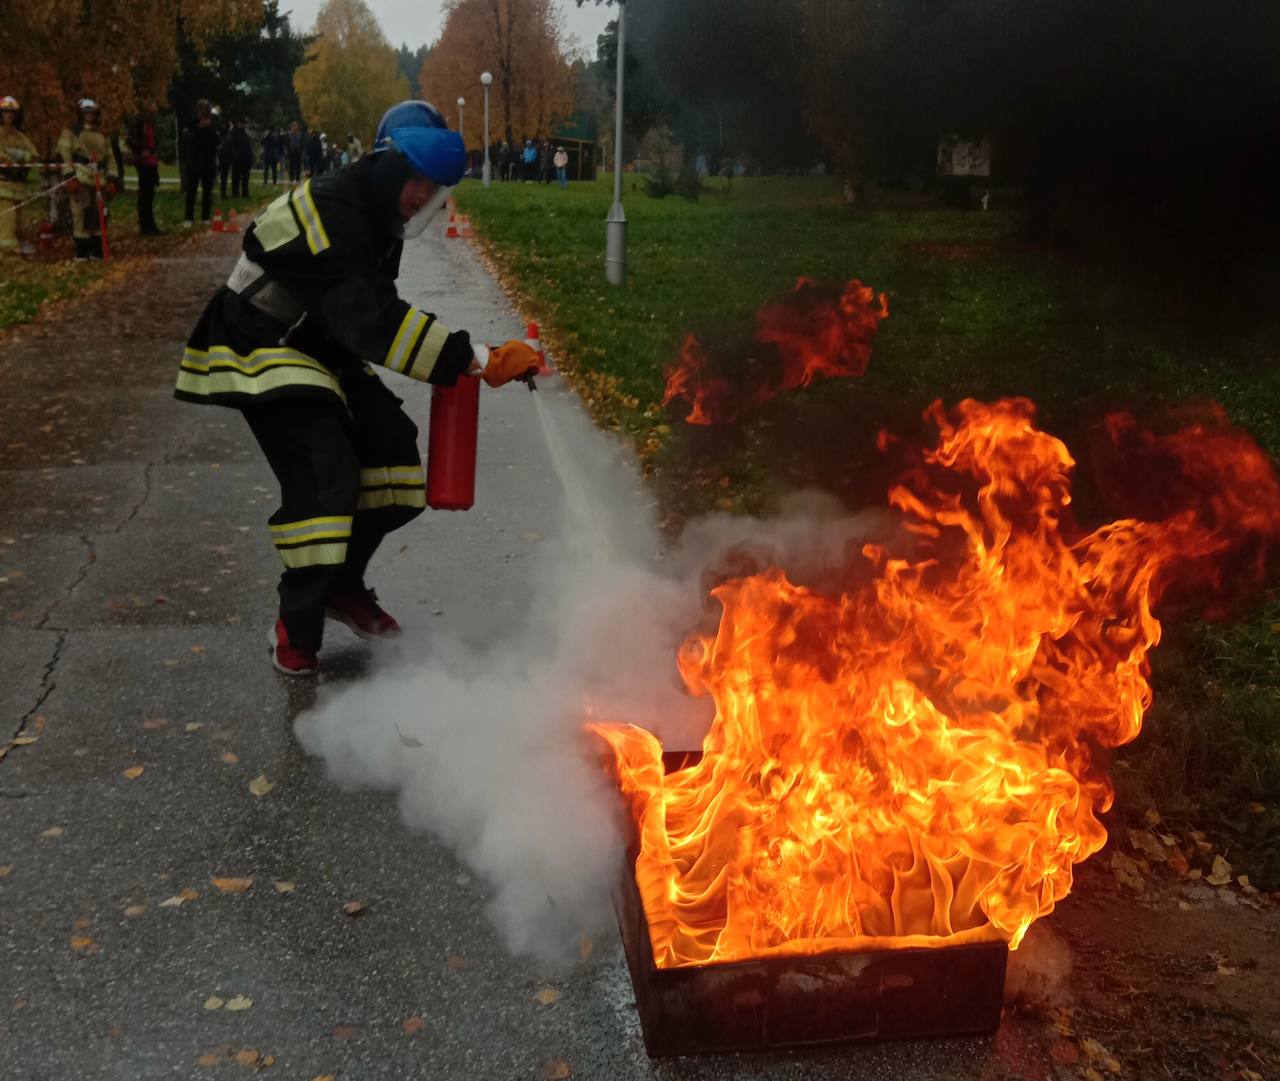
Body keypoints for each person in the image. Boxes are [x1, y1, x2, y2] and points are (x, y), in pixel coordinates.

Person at [174, 100, 540, 676]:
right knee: (328, 477)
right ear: (385, 163)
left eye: (433, 185)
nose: (422, 194)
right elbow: (375, 324)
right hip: (259, 342)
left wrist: (473, 358)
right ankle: (296, 626)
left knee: (394, 457)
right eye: (415, 178)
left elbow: (368, 317)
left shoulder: (379, 217)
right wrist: (476, 358)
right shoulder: (335, 208)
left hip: (319, 341)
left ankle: (342, 587)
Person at [57, 97, 119, 260]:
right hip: (81, 176)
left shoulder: (102, 134)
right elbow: (65, 154)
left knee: (98, 214)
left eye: (91, 112)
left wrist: (113, 179)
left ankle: (96, 250)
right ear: (80, 114)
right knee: (80, 214)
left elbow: (110, 157)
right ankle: (82, 251)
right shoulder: (71, 132)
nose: (89, 115)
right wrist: (70, 177)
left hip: (100, 178)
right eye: (86, 113)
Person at [0, 95, 38, 255]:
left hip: (19, 186)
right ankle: (9, 255)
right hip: (3, 185)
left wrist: (19, 155)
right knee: (7, 222)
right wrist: (10, 157)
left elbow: (34, 154)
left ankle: (20, 250)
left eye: (12, 113)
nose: (9, 115)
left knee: (20, 223)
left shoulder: (20, 136)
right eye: (6, 112)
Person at [126, 102, 164, 236]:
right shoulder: (139, 125)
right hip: (143, 163)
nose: (153, 115)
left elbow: (154, 143)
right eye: (151, 112)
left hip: (151, 163)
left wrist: (153, 151)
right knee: (144, 195)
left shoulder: (151, 127)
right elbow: (130, 140)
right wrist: (141, 152)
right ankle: (145, 226)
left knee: (149, 195)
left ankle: (151, 225)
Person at [183, 101, 219, 227]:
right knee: (191, 192)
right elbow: (188, 138)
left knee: (207, 192)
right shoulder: (191, 123)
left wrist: (209, 129)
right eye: (202, 110)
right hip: (194, 162)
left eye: (206, 110)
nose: (204, 113)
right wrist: (199, 128)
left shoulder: (212, 124)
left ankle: (205, 217)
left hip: (208, 162)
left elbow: (217, 140)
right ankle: (188, 218)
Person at [230, 119, 253, 198]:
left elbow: (248, 146)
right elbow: (233, 146)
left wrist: (250, 157)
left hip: (246, 158)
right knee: (236, 178)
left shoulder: (245, 133)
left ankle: (245, 193)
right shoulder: (234, 133)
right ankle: (235, 193)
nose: (243, 125)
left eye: (244, 123)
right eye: (241, 123)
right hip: (237, 158)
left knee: (245, 178)